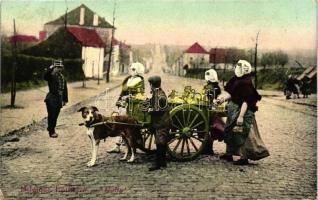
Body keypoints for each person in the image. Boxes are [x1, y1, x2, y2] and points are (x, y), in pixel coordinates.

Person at [216, 60, 269, 165]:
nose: (237, 69)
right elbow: (232, 94)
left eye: (239, 67)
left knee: (243, 134)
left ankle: (244, 157)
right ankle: (229, 154)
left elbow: (246, 101)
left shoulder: (246, 82)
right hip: (233, 111)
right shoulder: (236, 80)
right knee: (230, 131)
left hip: (243, 111)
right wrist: (222, 99)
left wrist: (241, 116)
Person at [108, 62, 145, 153]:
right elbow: (122, 91)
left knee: (122, 125)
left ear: (138, 71)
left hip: (132, 106)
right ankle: (118, 146)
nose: (131, 71)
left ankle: (123, 146)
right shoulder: (127, 79)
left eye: (133, 69)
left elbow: (140, 94)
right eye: (130, 68)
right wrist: (119, 100)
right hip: (123, 105)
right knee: (119, 125)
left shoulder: (140, 80)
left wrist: (129, 98)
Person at [146, 76, 170, 171]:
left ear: (152, 85)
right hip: (159, 122)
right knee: (161, 142)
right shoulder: (158, 92)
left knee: (160, 143)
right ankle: (163, 162)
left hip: (162, 123)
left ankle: (157, 164)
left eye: (150, 84)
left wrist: (150, 110)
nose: (149, 86)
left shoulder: (160, 95)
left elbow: (159, 109)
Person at [201, 69, 224, 155]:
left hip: (209, 110)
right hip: (213, 109)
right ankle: (208, 148)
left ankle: (207, 148)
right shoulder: (216, 87)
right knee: (210, 129)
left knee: (207, 129)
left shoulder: (209, 88)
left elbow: (209, 100)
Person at [44, 60, 68, 138]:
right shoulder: (51, 76)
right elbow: (45, 76)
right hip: (51, 98)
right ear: (54, 68)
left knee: (55, 115)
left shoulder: (62, 77)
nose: (59, 69)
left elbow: (65, 89)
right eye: (57, 67)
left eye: (60, 67)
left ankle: (50, 128)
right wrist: (50, 68)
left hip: (59, 99)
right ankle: (51, 131)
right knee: (52, 115)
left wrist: (65, 100)